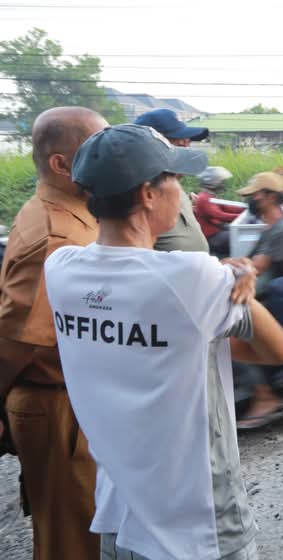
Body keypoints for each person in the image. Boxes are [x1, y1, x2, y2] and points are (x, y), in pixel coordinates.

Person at [42, 123, 283, 560]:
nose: (182, 191)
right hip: (198, 523)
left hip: (120, 518)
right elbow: (279, 351)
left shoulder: (60, 268)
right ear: (148, 194)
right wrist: (241, 277)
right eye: (175, 178)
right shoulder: (194, 277)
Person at [0, 107, 107, 560]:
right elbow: (16, 342)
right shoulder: (53, 236)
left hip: (76, 401)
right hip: (56, 404)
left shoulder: (75, 212)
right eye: (95, 149)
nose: (106, 160)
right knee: (72, 541)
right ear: (61, 164)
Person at [235, 172, 283, 428]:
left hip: (277, 304)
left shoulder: (281, 231)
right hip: (269, 298)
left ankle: (266, 397)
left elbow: (256, 268)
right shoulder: (270, 230)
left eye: (256, 194)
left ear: (270, 197)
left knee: (234, 334)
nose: (252, 199)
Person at [134, 108, 212, 253]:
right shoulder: (139, 197)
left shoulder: (173, 183)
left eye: (187, 142)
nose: (186, 146)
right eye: (180, 143)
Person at [194, 166, 243, 257]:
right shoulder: (204, 198)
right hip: (211, 237)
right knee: (238, 237)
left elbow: (226, 207)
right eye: (221, 181)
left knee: (240, 232)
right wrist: (242, 216)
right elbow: (219, 215)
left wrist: (245, 208)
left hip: (217, 231)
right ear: (213, 182)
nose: (223, 183)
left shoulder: (210, 195)